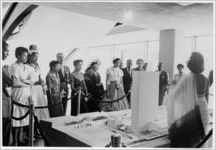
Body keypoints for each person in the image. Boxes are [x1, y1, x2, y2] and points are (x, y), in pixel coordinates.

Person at [165, 52, 209, 147]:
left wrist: (171, 89)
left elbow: (174, 95)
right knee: (200, 139)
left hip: (191, 111)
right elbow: (207, 98)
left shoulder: (187, 78)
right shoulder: (206, 79)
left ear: (191, 63)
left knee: (188, 138)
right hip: (203, 110)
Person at [10, 47, 33, 146]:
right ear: (17, 56)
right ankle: (14, 141)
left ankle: (20, 139)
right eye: (24, 55)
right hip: (18, 94)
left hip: (26, 94)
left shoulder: (27, 67)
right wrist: (26, 82)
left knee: (24, 118)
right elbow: (15, 83)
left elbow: (32, 80)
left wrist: (23, 82)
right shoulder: (14, 66)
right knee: (17, 118)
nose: (26, 57)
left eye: (27, 55)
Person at [26, 49, 49, 120]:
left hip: (38, 89)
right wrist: (35, 82)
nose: (36, 58)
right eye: (34, 56)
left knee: (40, 106)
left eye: (37, 57)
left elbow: (39, 77)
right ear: (29, 57)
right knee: (33, 106)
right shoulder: (25, 66)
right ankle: (33, 124)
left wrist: (41, 81)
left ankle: (41, 123)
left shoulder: (37, 66)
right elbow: (25, 79)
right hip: (31, 88)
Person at [2, 41, 13, 146]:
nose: (7, 53)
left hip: (5, 99)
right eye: (6, 51)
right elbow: (10, 81)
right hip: (3, 101)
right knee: (5, 125)